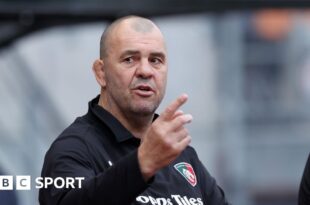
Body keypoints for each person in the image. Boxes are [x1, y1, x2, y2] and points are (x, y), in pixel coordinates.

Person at [39, 15, 230, 205]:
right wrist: (142, 164)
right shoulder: (73, 149)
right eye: (130, 59)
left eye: (155, 60)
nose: (145, 71)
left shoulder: (181, 154)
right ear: (101, 73)